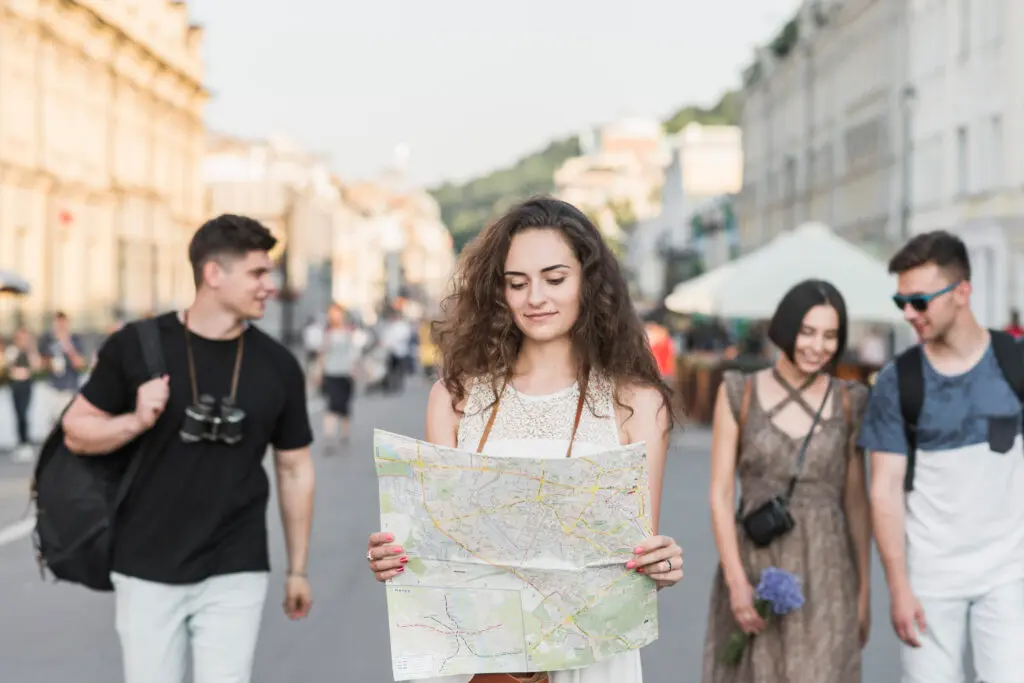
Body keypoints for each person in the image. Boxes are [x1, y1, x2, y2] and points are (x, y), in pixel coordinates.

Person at [365, 196, 683, 683]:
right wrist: (399, 559)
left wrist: (658, 568)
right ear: (499, 292)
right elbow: (441, 559)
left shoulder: (638, 403)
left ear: (588, 283)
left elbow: (631, 568)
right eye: (518, 283)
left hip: (590, 661)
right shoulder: (455, 399)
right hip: (483, 664)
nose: (535, 297)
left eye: (555, 279)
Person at [60, 214, 316, 683]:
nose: (269, 286)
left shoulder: (277, 365)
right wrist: (136, 420)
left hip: (235, 565)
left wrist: (297, 568)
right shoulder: (136, 347)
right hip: (146, 566)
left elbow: (295, 467)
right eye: (258, 273)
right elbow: (75, 430)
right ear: (213, 274)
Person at [858, 231, 1024, 683]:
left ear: (962, 292)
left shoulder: (1015, 361)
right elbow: (885, 490)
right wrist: (898, 587)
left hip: (1009, 573)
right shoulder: (899, 381)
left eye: (920, 301)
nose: (909, 313)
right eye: (901, 302)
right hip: (931, 578)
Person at [702, 279, 872, 683]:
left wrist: (864, 590)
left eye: (831, 335)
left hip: (828, 572)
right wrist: (736, 582)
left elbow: (856, 502)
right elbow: (721, 494)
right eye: (807, 331)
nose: (818, 346)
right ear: (785, 327)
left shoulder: (850, 400)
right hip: (755, 565)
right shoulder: (738, 392)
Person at [313, 302, 362, 451]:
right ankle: (329, 437)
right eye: (332, 313)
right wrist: (318, 372)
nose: (335, 316)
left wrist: (355, 368)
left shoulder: (350, 332)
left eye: (337, 313)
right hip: (331, 373)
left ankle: (344, 434)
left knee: (344, 406)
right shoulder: (326, 333)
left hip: (346, 374)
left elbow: (355, 352)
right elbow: (322, 355)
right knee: (332, 405)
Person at [39, 311, 86, 422]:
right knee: (53, 421)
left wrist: (67, 345)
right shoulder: (47, 339)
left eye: (63, 323)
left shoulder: (75, 339)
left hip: (70, 387)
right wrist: (50, 363)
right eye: (58, 323)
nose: (61, 326)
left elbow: (80, 364)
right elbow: (40, 363)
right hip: (52, 386)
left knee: (68, 420)